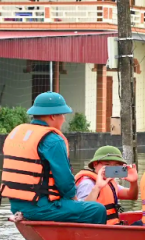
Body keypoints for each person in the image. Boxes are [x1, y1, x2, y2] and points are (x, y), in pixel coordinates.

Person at [1, 92, 106, 224]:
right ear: (53, 116)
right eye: (63, 115)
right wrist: (74, 202)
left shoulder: (16, 134)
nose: (64, 119)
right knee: (97, 209)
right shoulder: (53, 140)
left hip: (16, 206)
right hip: (40, 208)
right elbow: (65, 182)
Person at [75, 146, 138, 225]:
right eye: (107, 164)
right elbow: (83, 213)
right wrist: (97, 187)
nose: (111, 168)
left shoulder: (110, 182)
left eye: (115, 166)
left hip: (113, 227)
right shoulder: (87, 183)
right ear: (95, 164)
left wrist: (134, 182)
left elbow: (131, 195)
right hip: (98, 230)